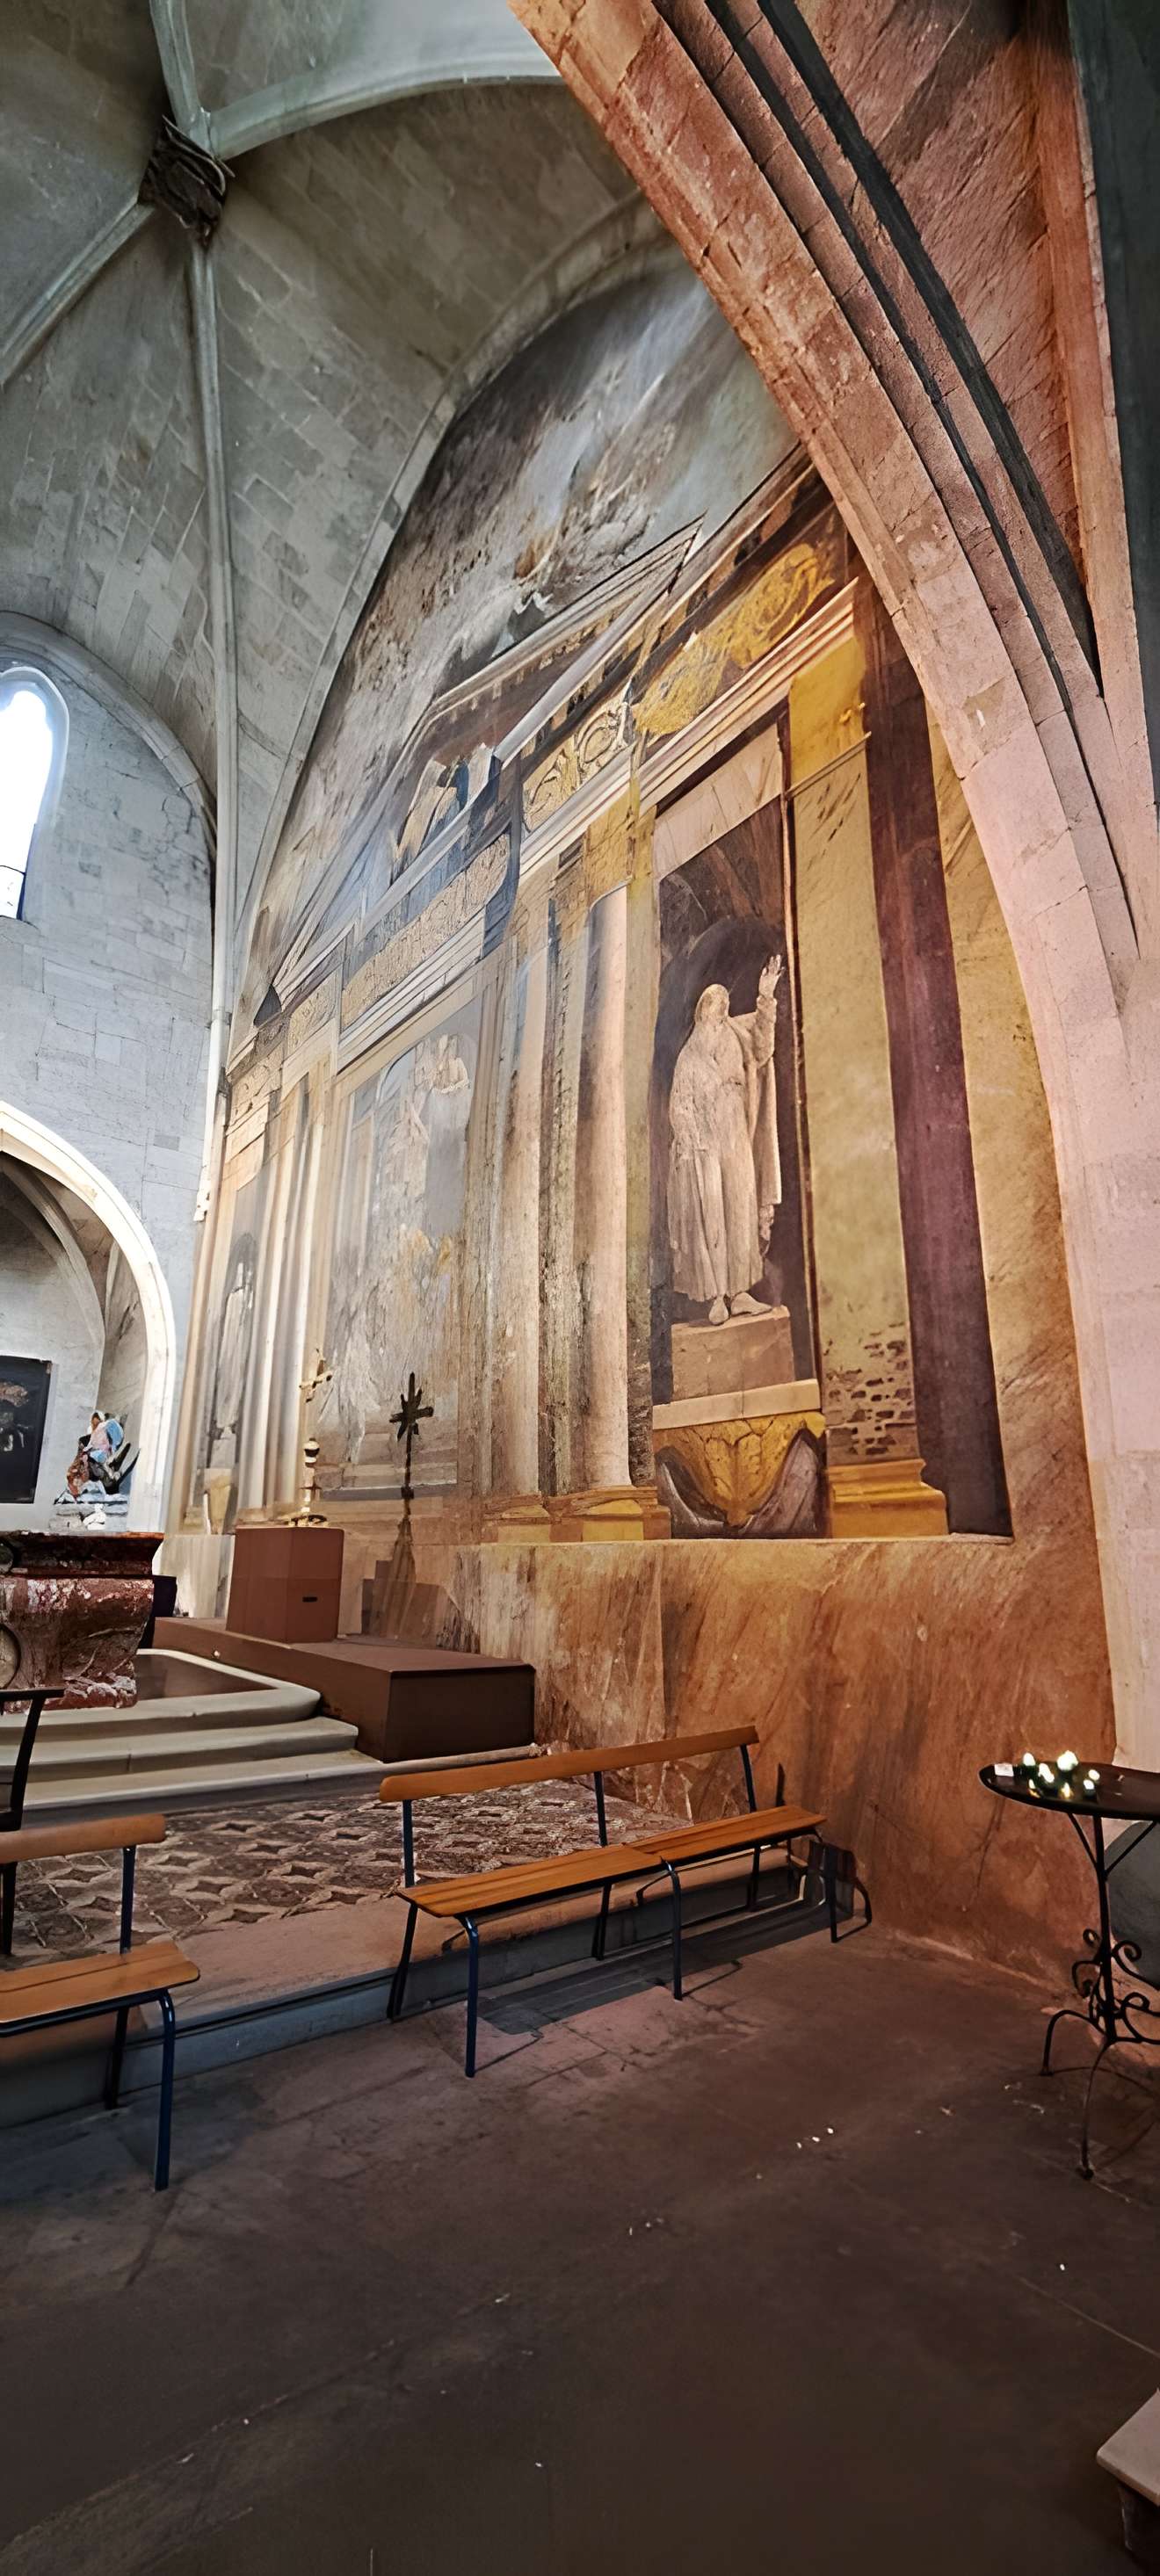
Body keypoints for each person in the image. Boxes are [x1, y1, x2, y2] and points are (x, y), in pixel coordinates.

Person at [668, 955, 783, 1325]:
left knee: (741, 1208)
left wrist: (765, 998)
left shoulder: (737, 1034)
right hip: (705, 1145)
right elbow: (679, 1106)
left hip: (734, 1133)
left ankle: (741, 1292)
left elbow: (763, 1046)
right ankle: (717, 1296)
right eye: (712, 1006)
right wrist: (691, 1141)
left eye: (724, 1005)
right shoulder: (688, 1057)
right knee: (712, 1216)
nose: (719, 1011)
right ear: (702, 1013)